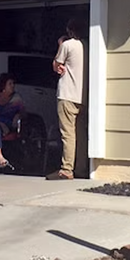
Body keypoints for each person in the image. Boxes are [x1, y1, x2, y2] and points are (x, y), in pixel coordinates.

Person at [48, 18, 85, 180]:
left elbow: (56, 65)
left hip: (67, 94)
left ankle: (67, 169)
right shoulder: (88, 46)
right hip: (83, 96)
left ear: (69, 30)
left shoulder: (67, 45)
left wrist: (60, 44)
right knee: (81, 134)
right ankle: (82, 168)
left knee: (68, 134)